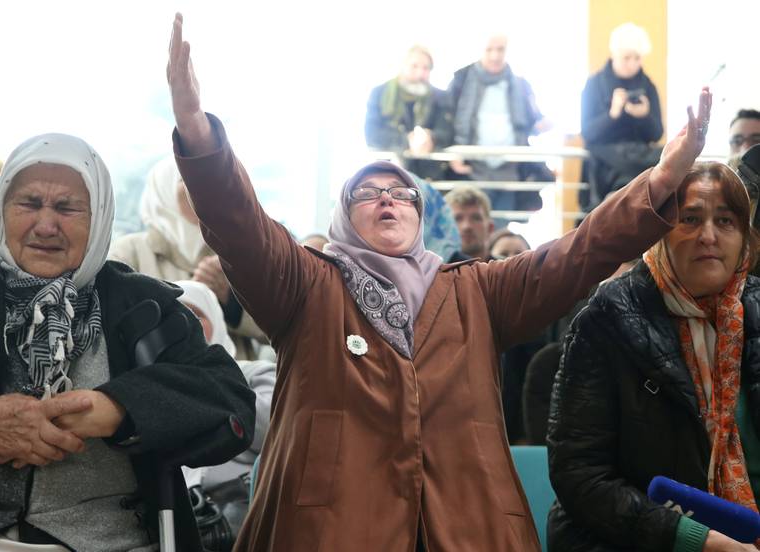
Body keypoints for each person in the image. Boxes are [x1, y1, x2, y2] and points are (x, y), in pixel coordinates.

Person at [167, 13, 711, 551]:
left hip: (469, 526)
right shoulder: (306, 285)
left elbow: (578, 253)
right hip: (330, 527)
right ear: (342, 217)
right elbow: (242, 229)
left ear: (421, 215)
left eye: (402, 194)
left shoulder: (476, 290)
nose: (387, 199)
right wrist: (197, 129)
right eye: (367, 192)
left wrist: (660, 179)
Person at [0, 132, 255, 551]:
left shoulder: (140, 303)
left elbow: (229, 401)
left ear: (100, 216)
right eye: (29, 203)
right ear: (2, 209)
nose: (46, 224)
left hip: (116, 542)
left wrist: (121, 409)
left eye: (68, 208)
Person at [547, 163, 760, 551]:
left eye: (726, 221)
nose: (708, 236)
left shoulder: (757, 309)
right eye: (690, 219)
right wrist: (696, 540)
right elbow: (581, 476)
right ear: (658, 230)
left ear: (745, 237)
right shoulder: (606, 318)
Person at [109, 156, 269, 360]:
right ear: (163, 188)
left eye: (208, 180)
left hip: (235, 383)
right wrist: (187, 298)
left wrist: (232, 303)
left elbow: (283, 327)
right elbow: (109, 325)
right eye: (186, 179)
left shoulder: (238, 253)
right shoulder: (130, 251)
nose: (201, 188)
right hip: (154, 382)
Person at [175, 280, 275, 549]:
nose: (186, 322)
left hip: (240, 513)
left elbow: (273, 430)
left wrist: (196, 394)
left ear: (216, 319)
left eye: (196, 314)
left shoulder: (253, 374)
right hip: (177, 516)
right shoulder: (150, 388)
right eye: (174, 314)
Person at [446, 32, 552, 222]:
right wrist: (454, 154)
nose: (495, 56)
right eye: (489, 50)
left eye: (500, 49)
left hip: (509, 169)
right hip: (473, 169)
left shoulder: (521, 85)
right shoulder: (461, 81)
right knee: (471, 224)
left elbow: (531, 121)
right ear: (480, 51)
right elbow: (448, 120)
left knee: (500, 227)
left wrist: (541, 124)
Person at [581, 23, 664, 210]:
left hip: (637, 163)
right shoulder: (594, 84)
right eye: (626, 58)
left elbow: (657, 132)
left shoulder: (648, 86)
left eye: (637, 58)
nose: (632, 63)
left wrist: (644, 116)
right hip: (605, 166)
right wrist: (612, 115)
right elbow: (587, 132)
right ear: (614, 55)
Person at [365, 45, 453, 181]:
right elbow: (372, 134)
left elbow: (447, 132)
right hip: (389, 174)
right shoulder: (379, 93)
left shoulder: (441, 97)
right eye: (414, 66)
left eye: (426, 68)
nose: (420, 73)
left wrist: (431, 138)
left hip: (430, 176)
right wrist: (407, 140)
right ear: (403, 66)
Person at [445, 184, 494, 261]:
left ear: (490, 228)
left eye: (476, 218)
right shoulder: (430, 271)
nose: (466, 226)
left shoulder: (509, 271)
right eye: (457, 218)